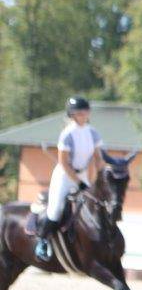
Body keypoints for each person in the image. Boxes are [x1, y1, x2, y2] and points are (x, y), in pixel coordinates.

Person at [35, 97, 104, 262]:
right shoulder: (67, 134)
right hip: (65, 176)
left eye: (85, 112)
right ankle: (42, 242)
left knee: (95, 204)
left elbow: (98, 158)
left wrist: (101, 176)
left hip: (83, 175)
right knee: (56, 208)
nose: (83, 115)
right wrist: (78, 182)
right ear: (72, 115)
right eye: (79, 113)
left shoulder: (93, 133)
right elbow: (63, 163)